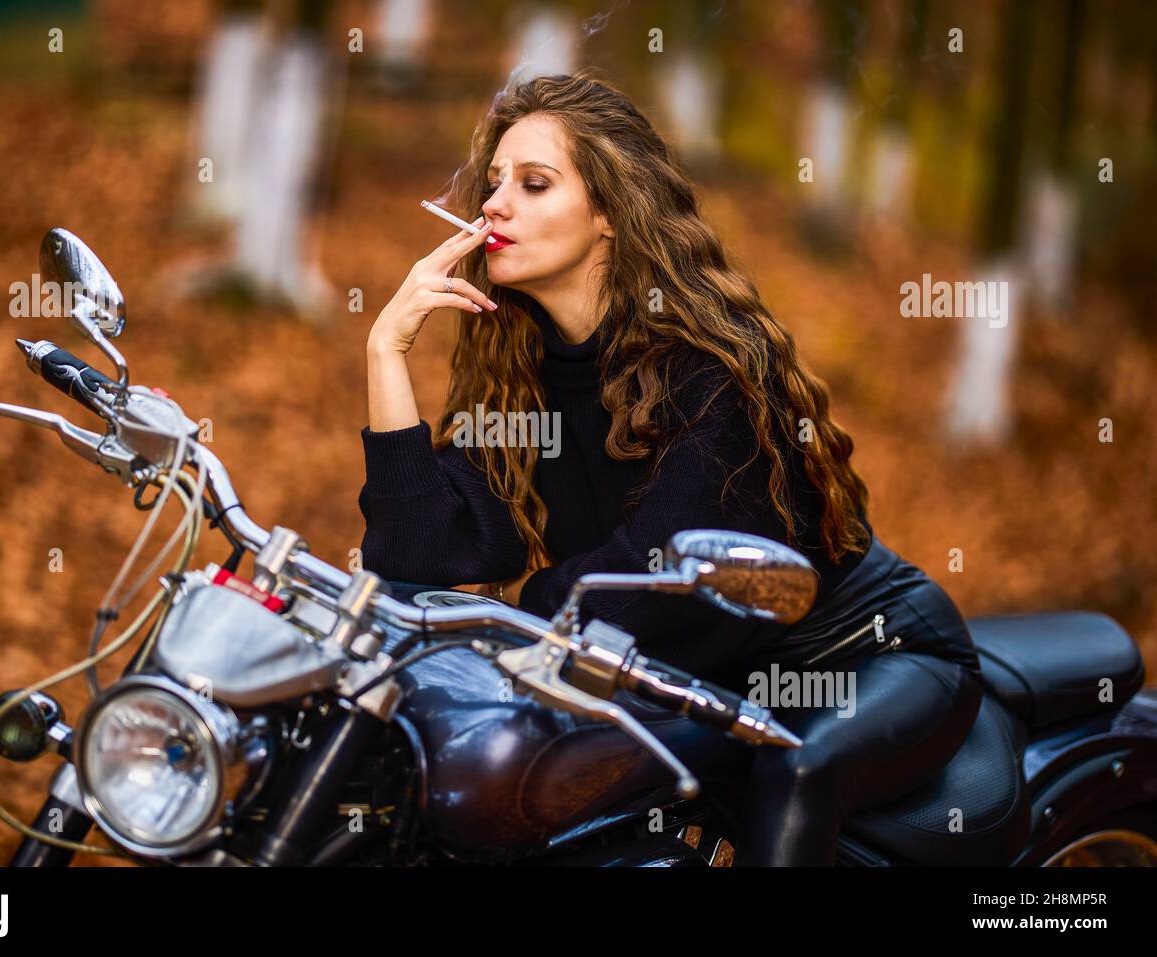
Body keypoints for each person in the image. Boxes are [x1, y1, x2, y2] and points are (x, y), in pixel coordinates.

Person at [356, 71, 982, 865]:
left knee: (794, 766)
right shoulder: (521, 373)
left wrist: (529, 607)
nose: (493, 205)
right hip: (699, 672)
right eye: (493, 184)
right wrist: (387, 350)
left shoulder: (714, 368)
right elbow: (415, 556)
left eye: (533, 183)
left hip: (865, 651)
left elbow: (646, 581)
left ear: (611, 213)